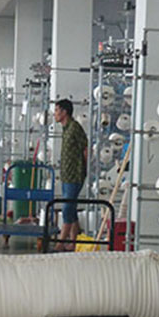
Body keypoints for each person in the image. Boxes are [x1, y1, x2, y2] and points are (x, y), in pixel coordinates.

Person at [54, 98, 87, 251]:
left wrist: (83, 168)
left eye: (57, 110)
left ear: (64, 112)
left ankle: (60, 243)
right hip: (66, 175)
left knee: (67, 209)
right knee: (71, 209)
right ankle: (73, 243)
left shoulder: (74, 128)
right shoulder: (66, 128)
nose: (55, 114)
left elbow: (85, 148)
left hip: (74, 175)